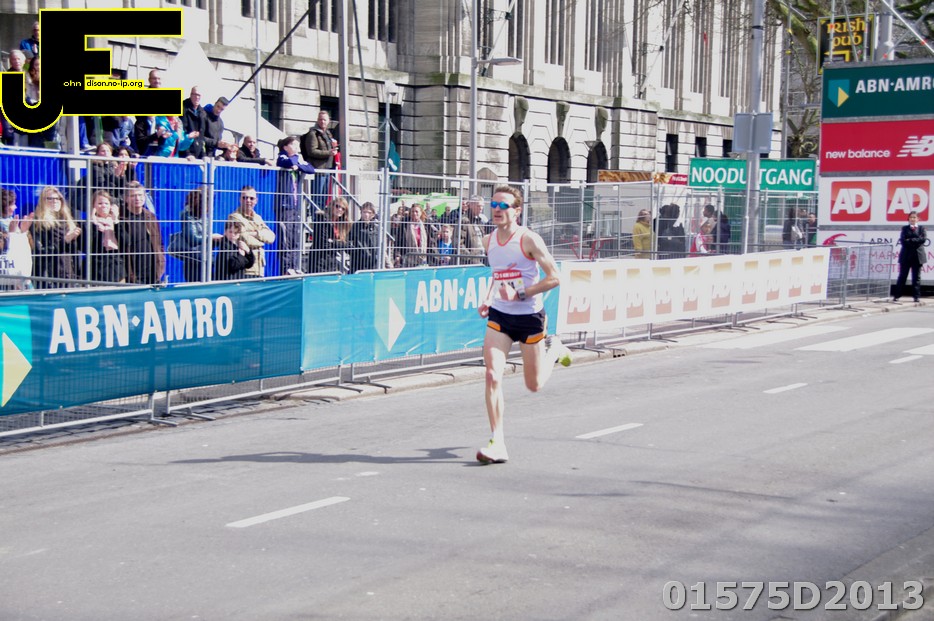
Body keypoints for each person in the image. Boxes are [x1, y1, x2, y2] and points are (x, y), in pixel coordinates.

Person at [476, 185, 572, 464]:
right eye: (494, 204)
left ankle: (555, 350)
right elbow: (497, 274)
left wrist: (522, 293)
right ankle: (497, 441)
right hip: (500, 316)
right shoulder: (488, 240)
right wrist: (488, 298)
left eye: (503, 206)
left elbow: (554, 277)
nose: (497, 210)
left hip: (530, 317)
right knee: (492, 375)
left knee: (534, 385)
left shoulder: (529, 239)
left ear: (517, 211)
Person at [25, 186, 81, 288]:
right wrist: (65, 240)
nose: (55, 201)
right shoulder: (39, 223)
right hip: (48, 275)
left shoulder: (69, 222)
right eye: (50, 199)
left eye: (57, 198)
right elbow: (40, 251)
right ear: (43, 202)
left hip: (68, 273)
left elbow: (76, 251)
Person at [275, 135, 315, 274]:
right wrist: (297, 162)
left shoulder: (297, 159)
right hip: (285, 205)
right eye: (293, 144)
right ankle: (286, 268)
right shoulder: (282, 156)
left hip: (295, 205)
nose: (297, 147)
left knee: (296, 237)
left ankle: (295, 266)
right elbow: (287, 163)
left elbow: (311, 168)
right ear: (286, 147)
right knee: (286, 238)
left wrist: (298, 165)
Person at [227, 185, 275, 277]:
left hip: (259, 267)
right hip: (245, 266)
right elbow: (244, 238)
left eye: (251, 198)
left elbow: (271, 237)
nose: (248, 201)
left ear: (256, 201)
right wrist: (261, 241)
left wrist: (255, 233)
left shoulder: (258, 218)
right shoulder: (234, 217)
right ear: (240, 199)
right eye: (244, 198)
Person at [301, 110, 338, 211]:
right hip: (318, 169)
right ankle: (315, 218)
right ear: (317, 120)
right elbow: (311, 151)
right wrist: (329, 153)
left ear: (328, 121)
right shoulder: (313, 134)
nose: (322, 122)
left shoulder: (328, 133)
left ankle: (320, 218)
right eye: (320, 119)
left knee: (324, 198)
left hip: (328, 169)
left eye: (324, 120)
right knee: (317, 198)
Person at [88, 190, 125, 283]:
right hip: (97, 268)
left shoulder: (118, 222)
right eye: (100, 203)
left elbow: (125, 241)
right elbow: (89, 245)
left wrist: (116, 221)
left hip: (116, 266)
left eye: (106, 203)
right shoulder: (87, 223)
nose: (104, 206)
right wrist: (93, 222)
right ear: (93, 206)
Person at [310, 197, 352, 273]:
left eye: (343, 209)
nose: (340, 209)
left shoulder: (342, 224)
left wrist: (333, 242)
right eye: (337, 206)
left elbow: (347, 244)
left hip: (332, 260)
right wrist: (338, 243)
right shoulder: (322, 219)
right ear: (332, 206)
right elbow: (323, 244)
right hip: (318, 259)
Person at [893, 210, 927, 303]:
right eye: (911, 217)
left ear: (918, 219)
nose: (912, 219)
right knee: (902, 276)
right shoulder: (904, 228)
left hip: (918, 256)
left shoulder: (922, 229)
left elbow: (923, 239)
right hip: (906, 256)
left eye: (914, 217)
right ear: (908, 219)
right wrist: (915, 240)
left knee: (916, 278)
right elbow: (903, 241)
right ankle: (897, 295)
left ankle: (916, 296)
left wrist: (911, 240)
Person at [348, 201, 387, 273]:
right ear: (361, 212)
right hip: (357, 263)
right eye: (364, 212)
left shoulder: (377, 228)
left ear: (373, 214)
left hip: (373, 263)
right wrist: (354, 252)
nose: (366, 215)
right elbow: (348, 241)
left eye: (369, 212)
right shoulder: (354, 226)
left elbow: (381, 245)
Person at [454, 195, 489, 265]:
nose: (481, 208)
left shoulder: (479, 221)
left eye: (482, 206)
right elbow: (458, 243)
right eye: (478, 206)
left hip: (482, 260)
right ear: (471, 205)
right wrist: (470, 258)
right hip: (470, 263)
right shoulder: (464, 221)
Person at [179, 86, 206, 158]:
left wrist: (203, 155)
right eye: (195, 94)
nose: (197, 97)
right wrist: (187, 154)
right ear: (191, 95)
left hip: (197, 155)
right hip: (184, 155)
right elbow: (182, 133)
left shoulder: (202, 113)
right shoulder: (183, 109)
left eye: (199, 95)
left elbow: (201, 136)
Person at [401, 203, 429, 267]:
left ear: (421, 213)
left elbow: (431, 242)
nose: (414, 213)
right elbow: (399, 240)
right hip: (408, 259)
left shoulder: (426, 225)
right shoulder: (404, 224)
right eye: (412, 211)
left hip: (423, 258)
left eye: (416, 211)